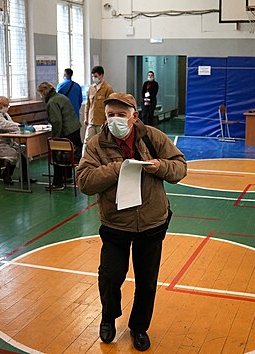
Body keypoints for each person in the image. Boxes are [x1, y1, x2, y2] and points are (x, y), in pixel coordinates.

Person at [76, 93, 187, 351]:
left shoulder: (152, 136)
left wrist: (159, 166)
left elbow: (180, 167)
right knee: (111, 277)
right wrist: (117, 168)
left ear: (134, 116)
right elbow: (85, 182)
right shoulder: (96, 145)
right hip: (116, 225)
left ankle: (139, 327)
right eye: (111, 114)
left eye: (121, 114)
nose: (115, 119)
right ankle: (108, 317)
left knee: (147, 281)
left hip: (152, 222)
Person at [37, 82, 83, 191]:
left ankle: (58, 182)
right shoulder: (61, 97)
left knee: (58, 155)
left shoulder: (52, 102)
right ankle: (67, 176)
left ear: (43, 92)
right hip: (75, 128)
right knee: (70, 154)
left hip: (66, 131)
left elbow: (57, 122)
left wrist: (55, 138)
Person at [0, 96, 33, 185]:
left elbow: (10, 124)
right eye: (5, 105)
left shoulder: (4, 114)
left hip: (8, 142)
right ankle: (6, 175)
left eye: (8, 105)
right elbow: (6, 125)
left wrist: (22, 129)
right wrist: (21, 127)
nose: (7, 107)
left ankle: (24, 177)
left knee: (25, 150)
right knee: (14, 155)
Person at [84, 66, 114, 146]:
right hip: (91, 120)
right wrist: (86, 118)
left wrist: (107, 120)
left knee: (102, 142)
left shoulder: (108, 89)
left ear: (101, 75)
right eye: (93, 76)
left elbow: (111, 106)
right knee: (87, 141)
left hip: (102, 121)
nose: (94, 78)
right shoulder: (91, 88)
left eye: (96, 76)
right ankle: (85, 157)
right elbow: (88, 104)